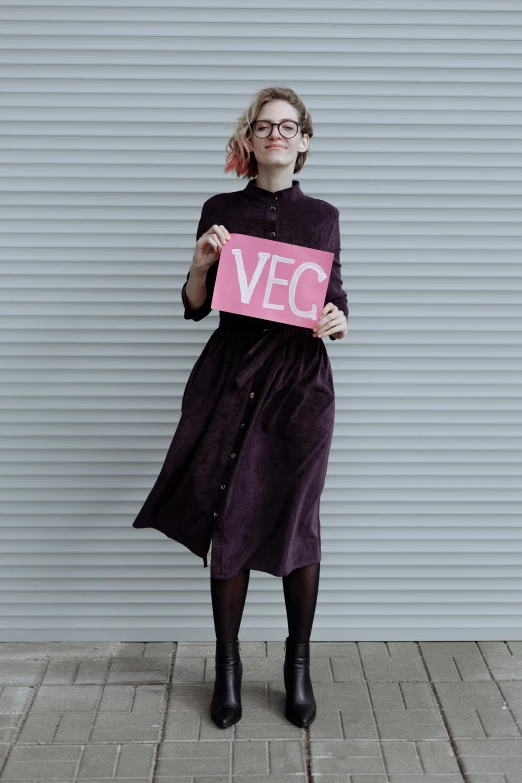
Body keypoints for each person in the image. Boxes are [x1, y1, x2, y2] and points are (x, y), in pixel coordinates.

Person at [132, 86, 348, 730]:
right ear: (250, 140)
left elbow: (332, 299)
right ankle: (228, 668)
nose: (277, 133)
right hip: (231, 375)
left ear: (304, 141)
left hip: (301, 385)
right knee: (229, 515)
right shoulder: (220, 208)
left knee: (297, 519)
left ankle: (297, 667)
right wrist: (199, 264)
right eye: (265, 125)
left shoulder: (324, 216)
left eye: (289, 125)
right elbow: (198, 306)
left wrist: (338, 319)